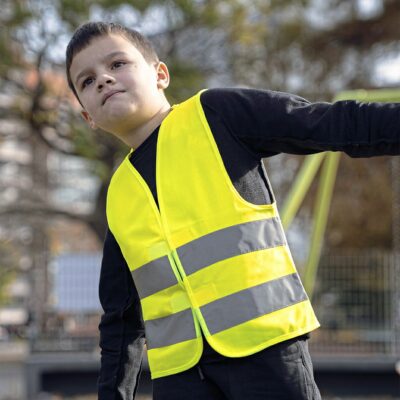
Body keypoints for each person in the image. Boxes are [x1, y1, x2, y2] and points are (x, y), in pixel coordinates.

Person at [65, 21, 400, 400]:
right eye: (87, 81)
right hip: (180, 378)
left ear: (160, 74)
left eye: (117, 64)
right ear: (87, 117)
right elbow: (120, 320)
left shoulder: (216, 116)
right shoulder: (119, 194)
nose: (104, 80)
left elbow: (327, 123)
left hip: (265, 353)